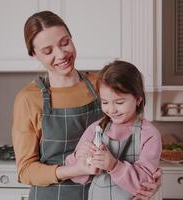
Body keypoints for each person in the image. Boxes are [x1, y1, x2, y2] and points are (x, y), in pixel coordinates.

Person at [12, 10, 161, 200]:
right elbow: (25, 170)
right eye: (48, 51)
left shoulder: (102, 83)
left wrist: (150, 180)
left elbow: (136, 139)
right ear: (34, 54)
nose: (61, 54)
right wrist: (74, 169)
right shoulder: (28, 99)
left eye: (65, 42)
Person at [65, 60, 162, 200]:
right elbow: (76, 178)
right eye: (105, 102)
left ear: (138, 99)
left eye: (119, 102)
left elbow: (145, 184)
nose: (111, 110)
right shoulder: (95, 130)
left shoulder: (149, 134)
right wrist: (80, 157)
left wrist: (114, 166)